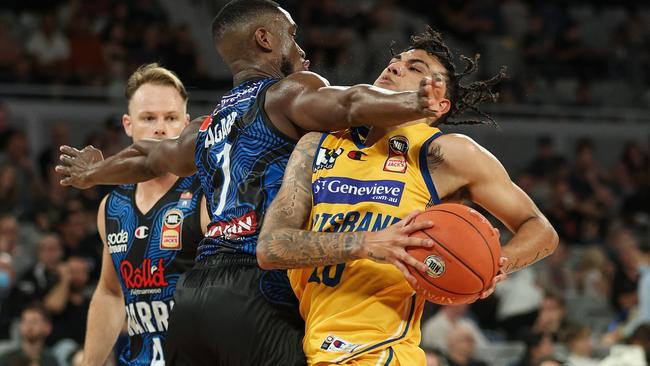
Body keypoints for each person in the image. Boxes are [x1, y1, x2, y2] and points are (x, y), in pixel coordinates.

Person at [55, 1, 448, 364]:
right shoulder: (287, 92)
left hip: (192, 301)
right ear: (265, 39)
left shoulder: (203, 127)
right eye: (291, 35)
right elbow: (350, 104)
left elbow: (148, 157)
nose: (300, 47)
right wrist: (411, 104)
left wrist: (96, 172)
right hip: (259, 288)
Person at [256, 27, 558, 364]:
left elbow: (541, 230)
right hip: (315, 343)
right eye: (396, 61)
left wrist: (494, 265)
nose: (395, 67)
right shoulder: (318, 144)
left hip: (382, 349)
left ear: (440, 105)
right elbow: (271, 249)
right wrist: (367, 243)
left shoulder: (444, 152)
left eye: (416, 69)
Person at [81, 64, 208, 366]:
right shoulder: (112, 206)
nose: (160, 128)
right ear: (128, 124)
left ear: (186, 124)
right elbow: (111, 292)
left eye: (171, 118)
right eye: (149, 118)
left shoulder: (209, 192)